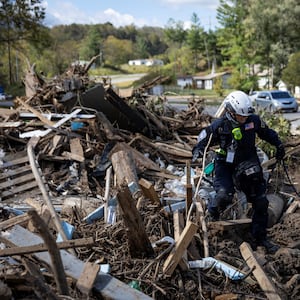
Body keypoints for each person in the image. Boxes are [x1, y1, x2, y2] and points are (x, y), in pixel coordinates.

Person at [192, 91, 285, 253]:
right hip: (225, 165)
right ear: (230, 111)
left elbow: (267, 133)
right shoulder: (219, 126)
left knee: (261, 201)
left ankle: (260, 239)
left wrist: (279, 145)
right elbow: (201, 140)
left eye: (245, 116)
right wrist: (198, 151)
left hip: (248, 162)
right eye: (240, 116)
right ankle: (212, 215)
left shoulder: (253, 121)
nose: (244, 119)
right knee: (223, 195)